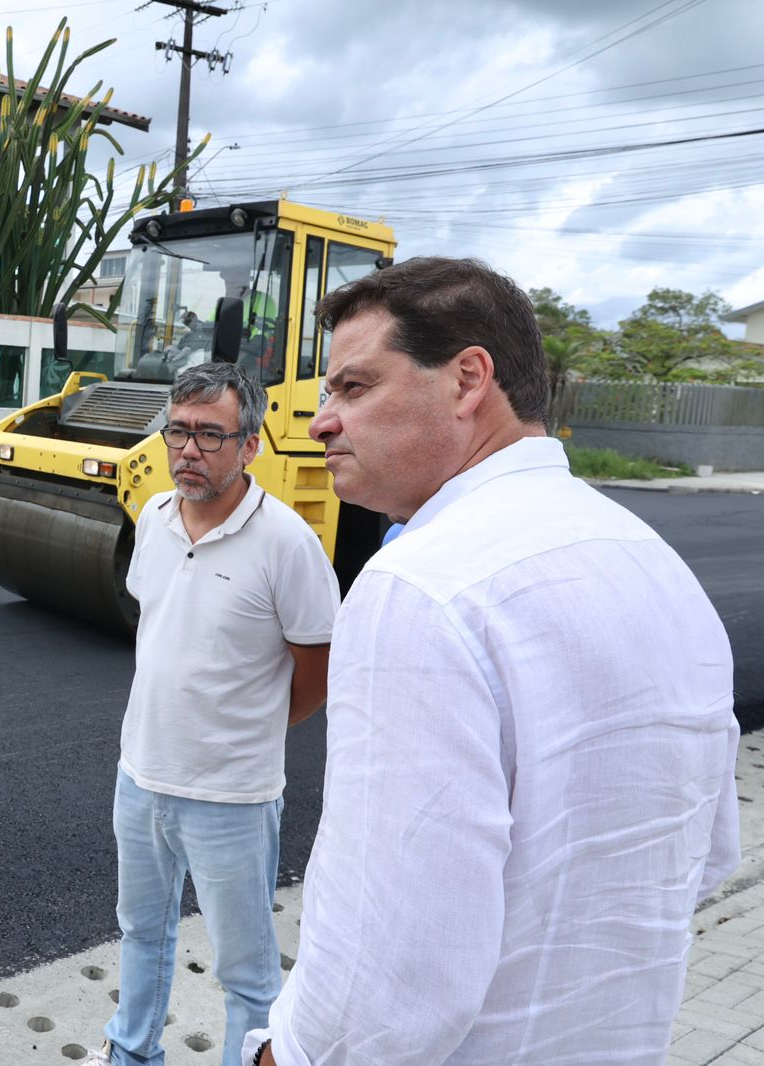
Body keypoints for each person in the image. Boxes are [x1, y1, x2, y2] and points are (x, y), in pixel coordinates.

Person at [245, 257, 740, 1066]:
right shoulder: (656, 566)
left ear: (468, 379)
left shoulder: (421, 587)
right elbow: (708, 856)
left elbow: (389, 973)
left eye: (354, 388)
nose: (320, 422)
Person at [89, 362, 339, 1066]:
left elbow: (318, 667)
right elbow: (159, 627)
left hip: (231, 799)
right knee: (142, 933)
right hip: (140, 778)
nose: (189, 450)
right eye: (178, 431)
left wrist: (250, 729)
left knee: (246, 971)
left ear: (250, 445)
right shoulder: (154, 519)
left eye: (210, 434)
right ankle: (131, 1053)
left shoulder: (287, 543)